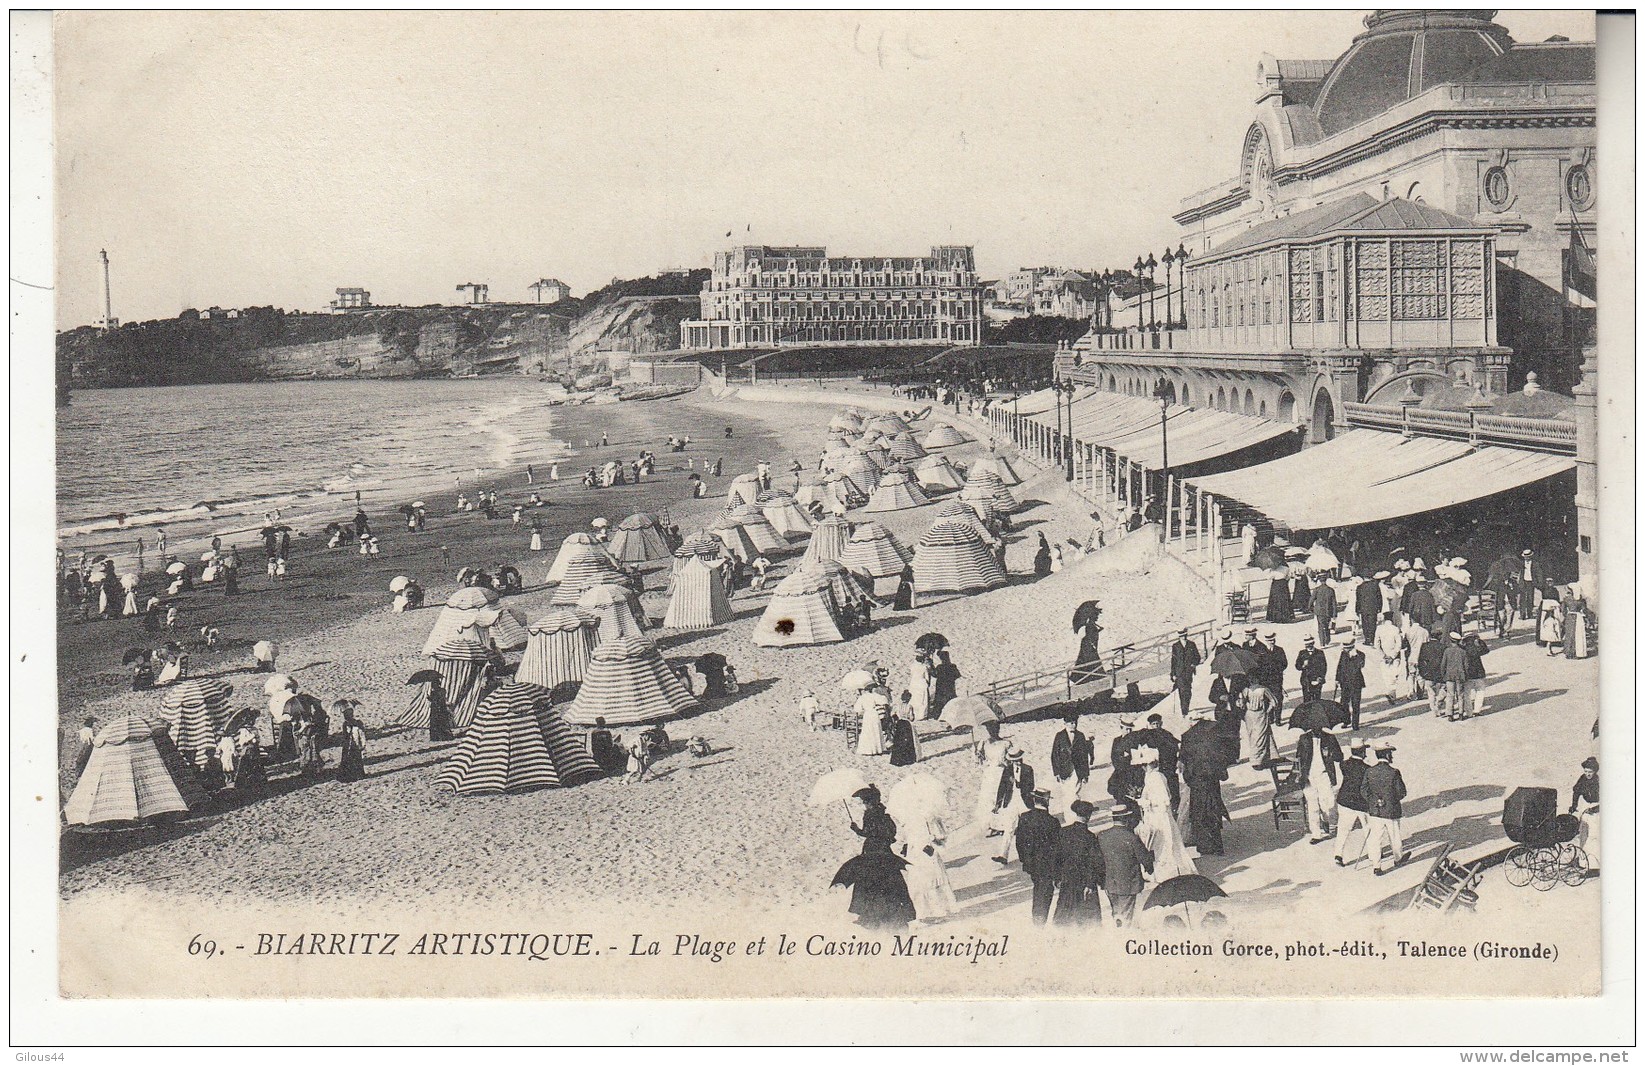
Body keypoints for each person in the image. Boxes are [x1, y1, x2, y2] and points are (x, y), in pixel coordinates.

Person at [832, 787, 916, 930]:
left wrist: (856, 829)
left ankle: (869, 915)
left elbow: (868, 832)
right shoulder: (885, 813)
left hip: (872, 850)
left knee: (868, 881)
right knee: (891, 880)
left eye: (865, 802)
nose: (864, 805)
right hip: (885, 850)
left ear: (870, 802)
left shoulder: (869, 815)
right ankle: (897, 911)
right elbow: (891, 831)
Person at [1133, 745, 1194, 881]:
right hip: (1155, 815)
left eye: (1145, 765)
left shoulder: (1156, 778)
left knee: (1163, 842)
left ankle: (1167, 873)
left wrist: (1144, 802)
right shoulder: (1154, 776)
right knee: (1158, 843)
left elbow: (1163, 800)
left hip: (1159, 816)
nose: (1143, 768)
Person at [1180, 708, 1231, 856]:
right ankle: (1216, 844)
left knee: (1199, 814)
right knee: (1213, 810)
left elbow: (1184, 760)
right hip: (1212, 780)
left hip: (1197, 781)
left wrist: (1188, 777)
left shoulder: (1188, 737)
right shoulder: (1213, 733)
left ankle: (1205, 846)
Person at [1095, 803, 1154, 928]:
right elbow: (1144, 858)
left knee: (1116, 913)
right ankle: (1123, 938)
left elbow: (1098, 859)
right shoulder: (1131, 837)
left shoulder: (1102, 836)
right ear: (1125, 818)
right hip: (1128, 883)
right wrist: (1150, 866)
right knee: (1126, 916)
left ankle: (1118, 931)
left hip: (1110, 883)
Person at [1052, 800, 1105, 925]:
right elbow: (1095, 863)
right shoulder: (1090, 837)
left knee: (1064, 916)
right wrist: (1091, 884)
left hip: (1067, 880)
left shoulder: (1063, 832)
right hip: (1084, 882)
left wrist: (1057, 877)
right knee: (1088, 920)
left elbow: (1056, 857)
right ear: (1088, 816)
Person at [900, 809, 958, 923]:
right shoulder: (909, 817)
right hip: (916, 853)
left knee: (930, 881)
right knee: (922, 882)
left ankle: (937, 911)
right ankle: (927, 912)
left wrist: (930, 840)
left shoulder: (927, 815)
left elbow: (939, 834)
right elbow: (908, 836)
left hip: (925, 852)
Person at [1013, 789, 1061, 923]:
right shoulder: (1052, 821)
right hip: (1047, 864)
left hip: (1031, 863)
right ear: (1046, 801)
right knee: (1044, 889)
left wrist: (1025, 860)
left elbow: (1019, 842)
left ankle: (1038, 917)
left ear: (1034, 800)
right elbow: (1057, 848)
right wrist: (1058, 871)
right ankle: (1040, 919)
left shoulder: (1024, 817)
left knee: (1039, 887)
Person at [1361, 743, 1408, 875]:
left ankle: (1376, 866)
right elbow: (1401, 792)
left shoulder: (1369, 771)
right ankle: (1398, 858)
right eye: (1390, 754)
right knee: (1395, 836)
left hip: (1375, 811)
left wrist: (1374, 801)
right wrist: (1390, 800)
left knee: (1376, 839)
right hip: (1391, 811)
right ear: (1387, 755)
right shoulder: (1393, 772)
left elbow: (1364, 790)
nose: (1391, 756)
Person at [1295, 722, 1343, 845]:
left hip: (1324, 775)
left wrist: (1331, 754)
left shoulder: (1330, 738)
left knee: (1329, 803)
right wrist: (1299, 776)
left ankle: (1326, 821)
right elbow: (1298, 758)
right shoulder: (1304, 739)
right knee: (1313, 806)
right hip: (1309, 777)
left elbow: (1339, 757)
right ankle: (1316, 833)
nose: (1316, 728)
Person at [1332, 738, 1372, 866]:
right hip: (1361, 803)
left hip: (1345, 800)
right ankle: (1373, 853)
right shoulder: (1367, 769)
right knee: (1368, 828)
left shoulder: (1343, 764)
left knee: (1343, 829)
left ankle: (1338, 855)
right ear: (1362, 751)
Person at [1130, 713, 1180, 811]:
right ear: (1150, 724)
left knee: (1171, 791)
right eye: (1154, 724)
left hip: (1168, 767)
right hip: (1154, 770)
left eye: (1158, 723)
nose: (1156, 726)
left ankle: (1173, 810)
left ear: (1161, 723)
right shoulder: (1146, 736)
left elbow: (1175, 747)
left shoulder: (1167, 734)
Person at [991, 747, 1034, 862]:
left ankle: (1031, 854)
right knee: (1009, 828)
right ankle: (1003, 855)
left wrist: (1017, 783)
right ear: (1011, 761)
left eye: (1019, 759)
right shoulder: (1007, 770)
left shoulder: (1028, 769)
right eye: (1015, 760)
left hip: (1024, 802)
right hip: (1011, 801)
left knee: (1028, 828)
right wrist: (998, 804)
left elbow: (1030, 787)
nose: (1018, 762)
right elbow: (1002, 787)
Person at [1049, 712, 1093, 816]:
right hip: (1064, 770)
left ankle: (1074, 816)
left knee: (1074, 793)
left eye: (1075, 722)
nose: (1074, 725)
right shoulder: (1059, 736)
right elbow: (1054, 755)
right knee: (1067, 794)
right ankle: (1069, 815)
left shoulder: (1080, 736)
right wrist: (1056, 772)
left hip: (1077, 770)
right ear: (1065, 723)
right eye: (1071, 723)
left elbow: (1084, 756)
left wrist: (1085, 774)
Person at [1570, 756, 1599, 874]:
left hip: (1597, 810)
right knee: (1583, 835)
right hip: (1586, 808)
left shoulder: (1599, 781)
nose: (1587, 774)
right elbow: (1576, 791)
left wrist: (1596, 809)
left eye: (1590, 772)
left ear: (1595, 771)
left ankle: (1594, 866)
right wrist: (1573, 805)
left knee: (1593, 837)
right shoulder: (1582, 779)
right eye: (1586, 771)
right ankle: (1582, 861)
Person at [1334, 635, 1367, 730]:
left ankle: (1355, 724)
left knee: (1355, 704)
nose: (1345, 650)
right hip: (1344, 683)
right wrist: (1337, 679)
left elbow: (1360, 666)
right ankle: (1346, 720)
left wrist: (1355, 657)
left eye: (1347, 648)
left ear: (1352, 647)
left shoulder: (1360, 655)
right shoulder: (1343, 654)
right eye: (1345, 648)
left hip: (1356, 684)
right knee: (1344, 703)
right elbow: (1339, 666)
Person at [1374, 613, 1407, 705]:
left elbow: (1376, 644)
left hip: (1384, 656)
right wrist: (1393, 655)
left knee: (1386, 675)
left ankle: (1390, 692)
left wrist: (1383, 655)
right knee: (1394, 674)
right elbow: (1399, 644)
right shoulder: (1395, 629)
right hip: (1395, 656)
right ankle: (1392, 693)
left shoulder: (1379, 629)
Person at [1439, 630, 1469, 722]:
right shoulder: (1463, 652)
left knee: (1450, 695)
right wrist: (1466, 676)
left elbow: (1443, 665)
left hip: (1449, 676)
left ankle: (1450, 715)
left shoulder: (1447, 651)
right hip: (1460, 676)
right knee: (1460, 695)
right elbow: (1466, 666)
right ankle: (1460, 714)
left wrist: (1443, 675)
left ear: (1451, 640)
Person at [1169, 629, 1201, 716]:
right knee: (1182, 691)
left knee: (1188, 691)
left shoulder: (1191, 644)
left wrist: (1194, 664)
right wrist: (1173, 674)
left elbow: (1197, 657)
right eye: (1182, 635)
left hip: (1188, 672)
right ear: (1179, 636)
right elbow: (1173, 660)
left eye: (1185, 635)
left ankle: (1186, 706)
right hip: (1179, 673)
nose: (1184, 637)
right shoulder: (1175, 646)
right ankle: (1184, 711)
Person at [1459, 631, 1490, 718]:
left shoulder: (1462, 647)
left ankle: (1469, 712)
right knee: (1480, 691)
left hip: (1467, 673)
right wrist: (1480, 641)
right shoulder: (1477, 646)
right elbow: (1486, 650)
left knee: (1467, 694)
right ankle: (1477, 710)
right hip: (1479, 672)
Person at [888, 694, 920, 767]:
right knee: (907, 741)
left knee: (898, 741)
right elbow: (911, 718)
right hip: (907, 724)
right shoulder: (909, 706)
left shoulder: (897, 706)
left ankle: (897, 759)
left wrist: (896, 719)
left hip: (899, 723)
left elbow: (892, 714)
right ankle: (908, 759)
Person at [928, 648, 960, 718]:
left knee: (940, 701)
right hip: (950, 686)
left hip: (941, 686)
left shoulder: (940, 667)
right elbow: (957, 675)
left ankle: (938, 715)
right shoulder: (953, 666)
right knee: (950, 700)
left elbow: (934, 674)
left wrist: (931, 666)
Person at [1295, 635, 1327, 703]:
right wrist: (1303, 665)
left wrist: (1320, 677)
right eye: (1306, 645)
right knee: (1307, 700)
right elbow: (1297, 666)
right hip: (1306, 680)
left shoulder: (1320, 653)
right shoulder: (1302, 653)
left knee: (1317, 700)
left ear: (1313, 643)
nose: (1308, 646)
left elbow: (1324, 667)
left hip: (1317, 680)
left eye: (1310, 644)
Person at [1310, 578, 1338, 649]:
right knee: (1327, 625)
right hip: (1328, 611)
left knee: (1320, 627)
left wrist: (1312, 609)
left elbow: (1311, 600)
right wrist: (1335, 613)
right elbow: (1334, 603)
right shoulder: (1331, 590)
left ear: (1319, 581)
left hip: (1319, 611)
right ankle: (1327, 640)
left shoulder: (1316, 590)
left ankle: (1322, 643)